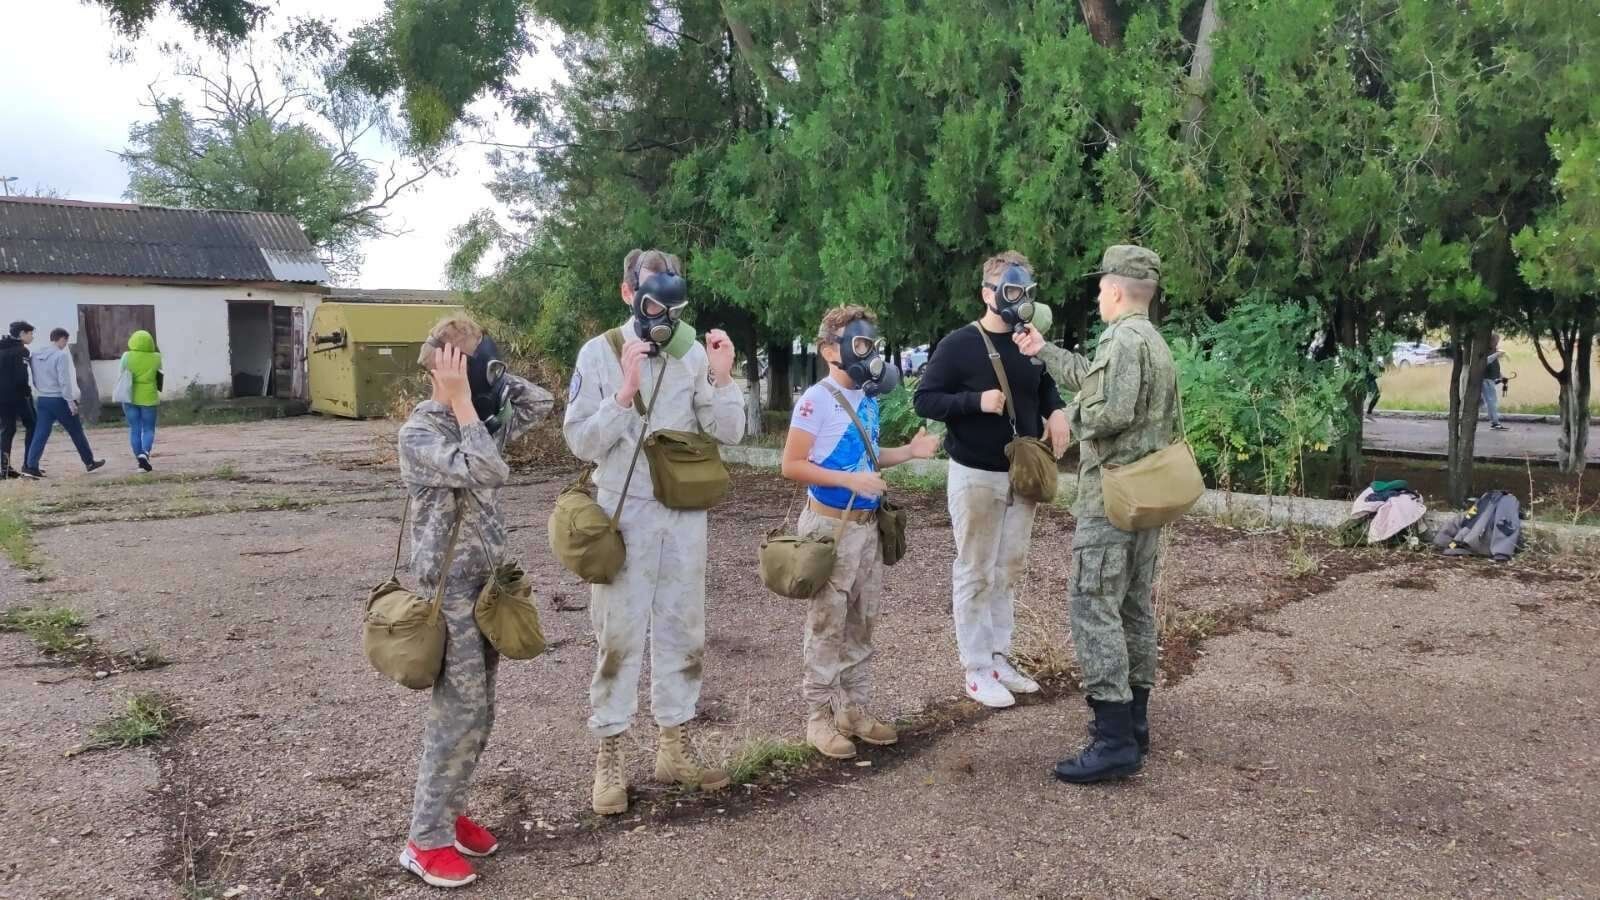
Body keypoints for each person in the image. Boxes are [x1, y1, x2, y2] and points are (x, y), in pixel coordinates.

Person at [563, 248, 746, 816]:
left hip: (684, 514)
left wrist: (721, 376)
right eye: (648, 292)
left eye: (671, 295)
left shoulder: (691, 356)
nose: (661, 308)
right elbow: (580, 443)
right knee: (617, 638)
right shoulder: (600, 353)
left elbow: (730, 433)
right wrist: (623, 392)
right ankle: (610, 755)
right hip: (624, 514)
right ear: (627, 294)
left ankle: (675, 747)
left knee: (683, 632)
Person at [396, 316, 553, 889]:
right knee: (456, 714)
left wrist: (492, 383)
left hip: (488, 590)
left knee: (481, 712)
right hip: (447, 596)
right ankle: (424, 839)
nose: (486, 369)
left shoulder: (481, 421)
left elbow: (541, 401)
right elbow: (489, 470)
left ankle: (450, 811)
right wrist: (462, 400)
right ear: (445, 366)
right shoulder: (422, 433)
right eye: (472, 359)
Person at [1020, 244, 1180, 784]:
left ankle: (1112, 740)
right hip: (1145, 494)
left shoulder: (1120, 337)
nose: (1096, 296)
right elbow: (1103, 381)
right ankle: (1133, 725)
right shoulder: (1152, 341)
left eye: (1100, 288)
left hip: (1110, 497)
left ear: (1114, 290)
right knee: (1133, 605)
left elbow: (1110, 408)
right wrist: (1045, 351)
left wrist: (1067, 416)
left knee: (1093, 605)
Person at [781, 305, 941, 759]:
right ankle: (817, 718)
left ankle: (854, 709)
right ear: (830, 350)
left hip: (867, 528)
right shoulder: (815, 399)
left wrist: (909, 451)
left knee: (862, 622)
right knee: (825, 624)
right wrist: (852, 481)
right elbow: (791, 465)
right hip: (829, 528)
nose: (868, 352)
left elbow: (870, 457)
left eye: (871, 343)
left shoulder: (867, 398)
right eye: (858, 343)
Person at [913, 251, 1069, 708]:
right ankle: (976, 668)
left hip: (1022, 474)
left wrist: (1056, 409)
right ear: (988, 293)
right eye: (1011, 291)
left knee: (1008, 570)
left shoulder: (1029, 341)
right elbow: (925, 399)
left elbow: (1042, 385)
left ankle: (1000, 656)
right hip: (976, 473)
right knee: (976, 570)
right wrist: (973, 402)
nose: (1019, 300)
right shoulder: (959, 344)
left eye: (1025, 292)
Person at [20, 328, 104, 477]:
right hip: (59, 398)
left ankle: (31, 466)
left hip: (43, 398)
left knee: (41, 433)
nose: (65, 344)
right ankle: (89, 462)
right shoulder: (61, 356)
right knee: (76, 431)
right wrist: (70, 402)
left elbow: (33, 375)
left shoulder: (36, 354)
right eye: (65, 341)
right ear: (62, 339)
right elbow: (64, 381)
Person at [120, 329, 163, 471]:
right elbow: (159, 375)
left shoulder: (126, 356)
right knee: (149, 429)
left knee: (135, 429)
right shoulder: (157, 357)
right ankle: (145, 453)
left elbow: (121, 373)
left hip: (129, 397)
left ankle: (139, 459)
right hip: (149, 397)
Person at [1, 321, 36, 479]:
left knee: (8, 429)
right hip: (17, 395)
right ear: (22, 334)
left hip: (2, 396)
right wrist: (27, 394)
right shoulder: (22, 351)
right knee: (32, 425)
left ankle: (4, 467)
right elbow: (22, 377)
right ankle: (29, 464)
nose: (32, 337)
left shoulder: (2, 348)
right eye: (30, 333)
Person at [1482, 334, 1507, 431]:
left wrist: (1501, 376)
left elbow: (1495, 366)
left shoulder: (1493, 350)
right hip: (1486, 379)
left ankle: (1494, 421)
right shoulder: (1485, 351)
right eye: (1495, 341)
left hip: (1490, 379)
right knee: (1491, 401)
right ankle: (1495, 423)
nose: (1496, 343)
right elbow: (1485, 362)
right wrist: (1497, 354)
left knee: (1488, 401)